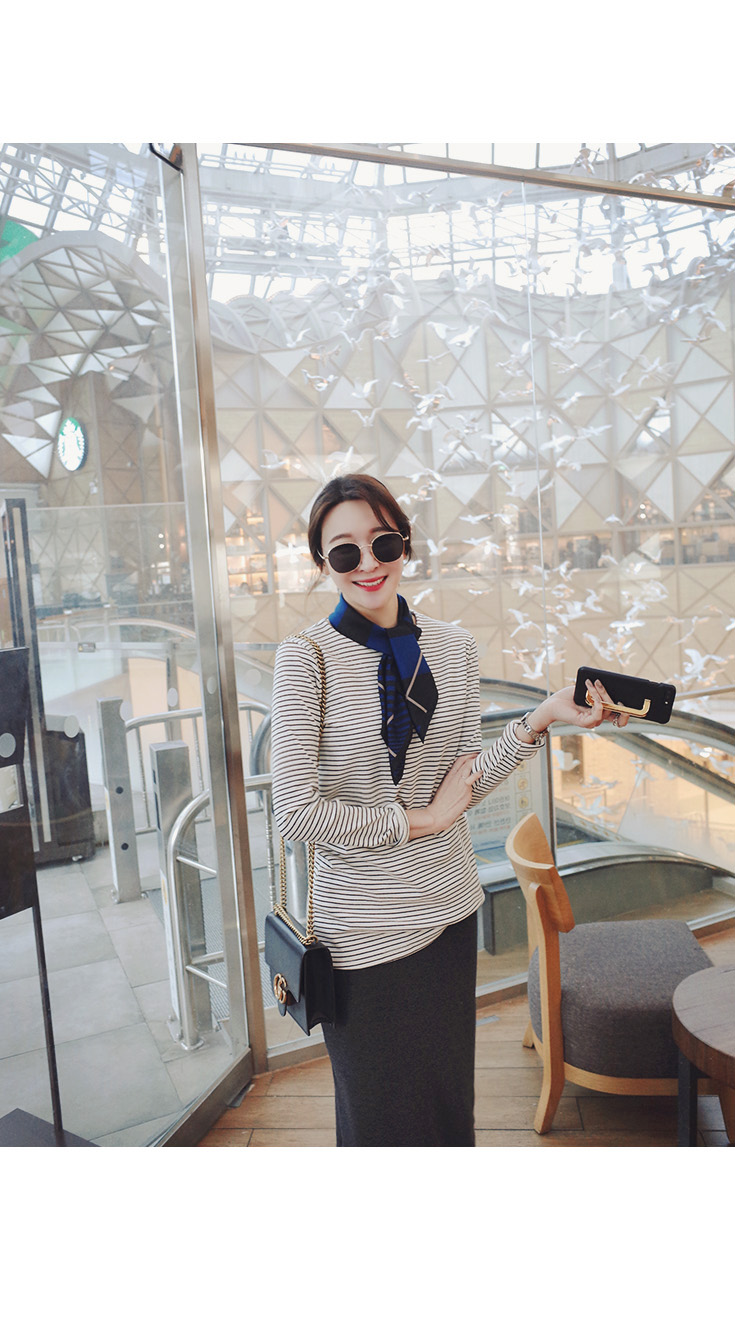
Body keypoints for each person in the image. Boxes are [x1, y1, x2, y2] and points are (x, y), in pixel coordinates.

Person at [270, 474, 628, 1147]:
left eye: (382, 542)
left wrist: (540, 719)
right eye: (344, 550)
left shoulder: (454, 647)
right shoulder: (305, 659)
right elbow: (294, 812)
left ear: (404, 544)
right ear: (322, 563)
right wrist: (421, 821)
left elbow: (463, 782)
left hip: (449, 913)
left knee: (446, 1111)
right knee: (380, 1122)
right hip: (363, 933)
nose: (368, 562)